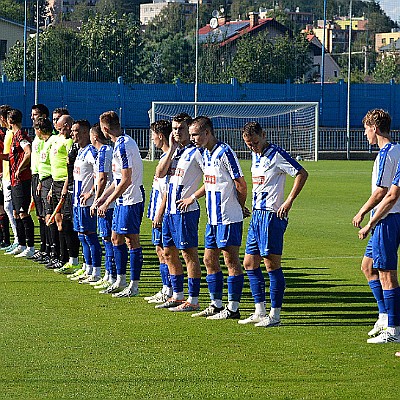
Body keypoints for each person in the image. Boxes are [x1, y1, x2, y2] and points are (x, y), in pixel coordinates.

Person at [239, 121, 308, 327]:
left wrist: (288, 201)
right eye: (249, 144)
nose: (253, 147)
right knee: (250, 263)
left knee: (271, 264)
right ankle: (259, 310)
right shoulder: (255, 156)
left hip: (271, 216)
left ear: (264, 135)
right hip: (257, 215)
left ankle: (275, 315)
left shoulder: (276, 154)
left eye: (256, 142)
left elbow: (301, 173)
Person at [187, 116, 248, 320]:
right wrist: (194, 196)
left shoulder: (225, 152)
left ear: (207, 133)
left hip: (228, 217)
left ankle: (233, 308)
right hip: (213, 218)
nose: (192, 138)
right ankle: (215, 304)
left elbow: (240, 184)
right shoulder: (204, 154)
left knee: (230, 260)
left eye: (195, 134)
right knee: (208, 259)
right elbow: (209, 182)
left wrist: (239, 207)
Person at [353, 109, 400, 341]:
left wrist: (364, 214)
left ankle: (393, 329)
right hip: (388, 217)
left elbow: (382, 192)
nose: (365, 134)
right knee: (368, 266)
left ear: (375, 127)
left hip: (388, 218)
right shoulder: (397, 149)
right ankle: (384, 316)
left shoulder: (385, 153)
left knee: (386, 273)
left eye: (366, 129)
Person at [153, 112, 203, 312]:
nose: (176, 132)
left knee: (188, 254)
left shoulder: (196, 152)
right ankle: (177, 295)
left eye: (181, 129)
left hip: (185, 211)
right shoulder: (175, 152)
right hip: (169, 212)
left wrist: (193, 197)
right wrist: (172, 148)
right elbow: (159, 173)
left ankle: (193, 299)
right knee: (168, 251)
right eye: (174, 129)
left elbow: (211, 178)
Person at [96, 111, 144, 297]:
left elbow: (126, 180)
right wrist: (102, 198)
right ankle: (120, 279)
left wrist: (108, 201)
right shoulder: (118, 146)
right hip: (122, 199)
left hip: (131, 199)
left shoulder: (124, 145)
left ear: (105, 129)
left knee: (132, 241)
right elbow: (117, 181)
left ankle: (134, 285)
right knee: (116, 239)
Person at [144, 119, 173, 304]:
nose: (152, 139)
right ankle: (166, 288)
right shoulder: (165, 157)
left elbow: (168, 191)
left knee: (165, 252)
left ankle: (169, 290)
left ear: (160, 136)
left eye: (153, 135)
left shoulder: (169, 159)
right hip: (156, 210)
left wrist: (159, 212)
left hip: (161, 213)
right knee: (159, 250)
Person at [0, 109, 36, 257]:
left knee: (23, 213)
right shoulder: (15, 135)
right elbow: (13, 155)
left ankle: (30, 247)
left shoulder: (20, 135)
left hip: (22, 179)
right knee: (15, 212)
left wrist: (20, 169)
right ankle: (21, 244)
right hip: (14, 180)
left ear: (9, 121)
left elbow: (28, 151)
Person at [70, 120, 102, 283]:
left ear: (84, 133)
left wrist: (91, 193)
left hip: (87, 202)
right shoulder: (80, 151)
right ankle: (87, 267)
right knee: (82, 235)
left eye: (75, 131)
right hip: (77, 201)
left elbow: (101, 175)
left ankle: (96, 271)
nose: (72, 133)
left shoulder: (91, 152)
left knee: (90, 235)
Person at [51, 115, 81, 275]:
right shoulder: (72, 145)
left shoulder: (73, 144)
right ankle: (69, 259)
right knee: (64, 222)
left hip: (72, 188)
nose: (60, 129)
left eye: (62, 126)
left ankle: (75, 260)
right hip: (63, 185)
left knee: (72, 224)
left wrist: (65, 186)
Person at [89, 123, 117, 290]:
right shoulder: (104, 152)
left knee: (108, 238)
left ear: (94, 136)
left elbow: (102, 179)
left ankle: (112, 275)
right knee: (106, 238)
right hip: (107, 201)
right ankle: (109, 274)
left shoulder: (104, 152)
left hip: (108, 203)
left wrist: (97, 200)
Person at [30, 104, 51, 261]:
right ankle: (44, 247)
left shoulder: (49, 137)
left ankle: (50, 249)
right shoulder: (37, 136)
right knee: (40, 215)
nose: (33, 117)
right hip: (36, 176)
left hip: (45, 177)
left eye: (35, 114)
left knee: (47, 214)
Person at [0, 104, 18, 253]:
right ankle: (16, 240)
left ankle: (18, 240)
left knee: (11, 208)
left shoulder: (13, 134)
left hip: (11, 177)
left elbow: (13, 156)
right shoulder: (7, 133)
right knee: (8, 208)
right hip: (6, 175)